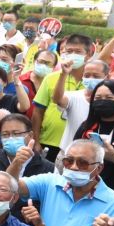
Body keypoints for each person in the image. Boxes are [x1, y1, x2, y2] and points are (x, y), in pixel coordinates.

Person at [31, 34, 95, 162]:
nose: (72, 55)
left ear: (88, 54)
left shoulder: (94, 82)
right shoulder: (51, 78)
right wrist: (36, 141)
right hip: (48, 141)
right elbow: (38, 112)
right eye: (69, 51)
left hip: (81, 146)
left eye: (78, 52)